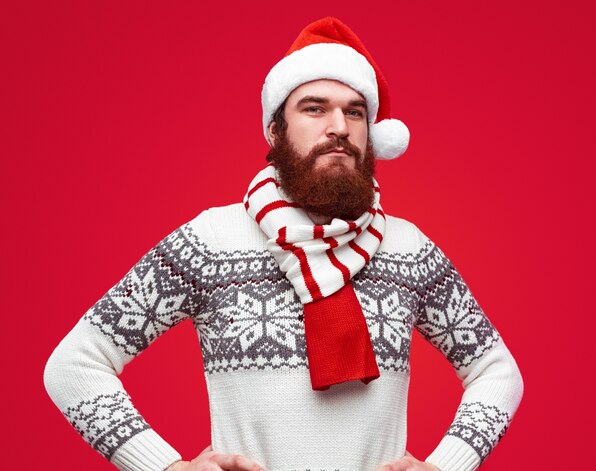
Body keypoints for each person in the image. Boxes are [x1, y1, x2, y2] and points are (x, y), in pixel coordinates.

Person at [44, 17, 523, 471]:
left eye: (354, 112)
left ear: (371, 135)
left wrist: (446, 464)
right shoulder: (210, 241)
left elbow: (496, 373)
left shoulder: (408, 248)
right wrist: (163, 464)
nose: (339, 125)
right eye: (314, 108)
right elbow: (75, 364)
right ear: (275, 131)